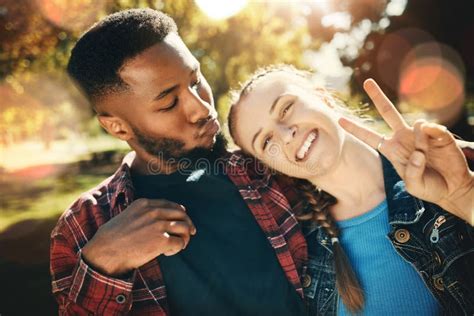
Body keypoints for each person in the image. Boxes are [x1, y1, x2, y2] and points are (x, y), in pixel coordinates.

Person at [50, 8, 473, 316]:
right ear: (117, 126)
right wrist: (103, 265)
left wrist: (419, 167)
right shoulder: (85, 227)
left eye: (196, 80)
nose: (201, 108)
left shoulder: (269, 175)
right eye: (168, 102)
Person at [227, 65, 474, 315]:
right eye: (266, 141)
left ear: (322, 96)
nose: (285, 135)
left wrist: (465, 197)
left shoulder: (448, 168)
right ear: (271, 166)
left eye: (286, 108)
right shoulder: (304, 257)